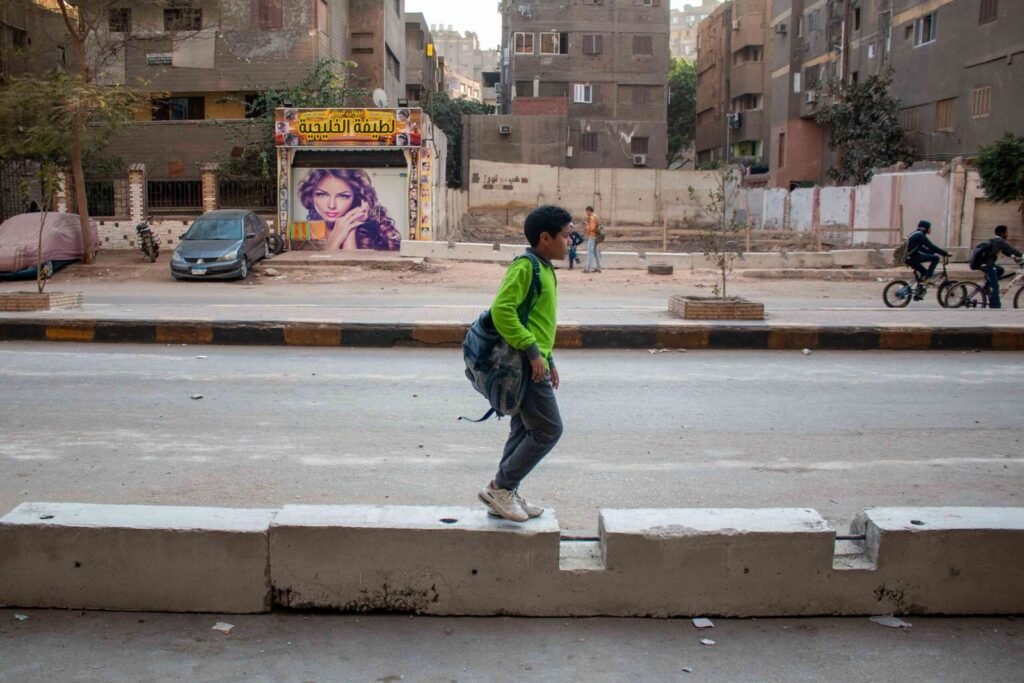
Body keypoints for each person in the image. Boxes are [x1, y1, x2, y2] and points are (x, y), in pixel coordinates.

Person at [478, 205, 571, 522]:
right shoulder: (526, 267)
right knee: (548, 430)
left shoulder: (545, 269)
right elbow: (502, 310)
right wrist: (533, 352)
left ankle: (506, 492)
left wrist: (548, 357)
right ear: (546, 238)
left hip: (535, 361)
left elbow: (537, 321)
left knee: (524, 429)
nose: (569, 242)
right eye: (566, 235)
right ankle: (500, 488)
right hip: (522, 365)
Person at [297, 168, 401, 251]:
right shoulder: (300, 230)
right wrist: (333, 243)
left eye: (343, 196)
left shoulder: (374, 231)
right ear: (310, 195)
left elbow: (351, 274)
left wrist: (350, 229)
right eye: (321, 194)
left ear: (357, 198)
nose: (331, 205)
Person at [975, 224, 1023, 309]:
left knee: (1000, 270)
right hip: (988, 265)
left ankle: (987, 286)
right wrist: (1022, 255)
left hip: (986, 263)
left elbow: (1007, 252)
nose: (1007, 234)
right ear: (1002, 233)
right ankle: (996, 306)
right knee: (995, 286)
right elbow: (1011, 250)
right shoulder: (1000, 241)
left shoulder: (996, 241)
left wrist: (1014, 257)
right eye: (1006, 232)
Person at [905, 219, 948, 288]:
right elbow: (931, 246)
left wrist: (931, 252)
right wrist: (945, 253)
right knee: (936, 258)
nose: (930, 229)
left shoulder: (915, 234)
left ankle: (919, 292)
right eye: (929, 228)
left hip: (908, 258)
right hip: (912, 258)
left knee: (924, 273)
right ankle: (928, 277)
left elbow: (922, 248)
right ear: (925, 228)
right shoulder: (920, 235)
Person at [583, 205, 602, 273]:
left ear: (588, 211)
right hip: (595, 237)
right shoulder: (595, 216)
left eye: (586, 211)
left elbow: (592, 228)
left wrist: (586, 225)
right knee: (595, 253)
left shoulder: (592, 218)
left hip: (592, 237)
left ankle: (587, 268)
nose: (586, 213)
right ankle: (599, 267)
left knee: (590, 253)